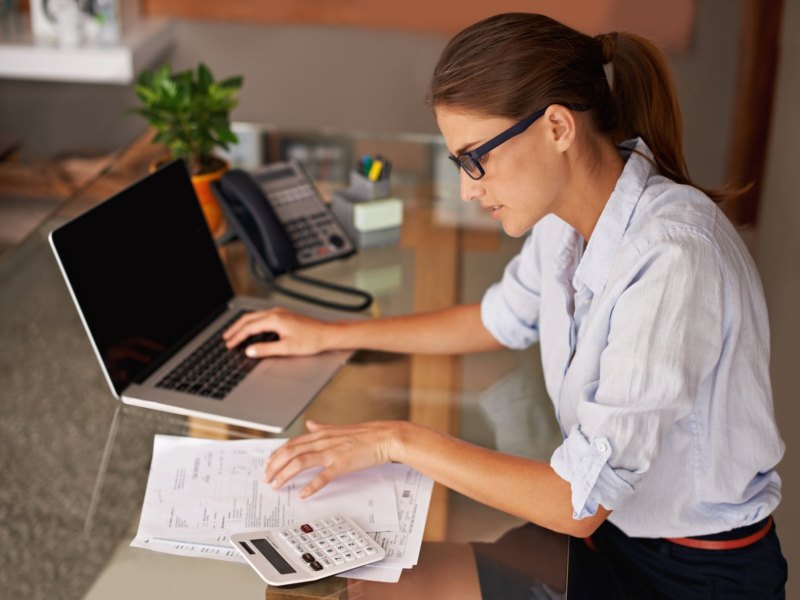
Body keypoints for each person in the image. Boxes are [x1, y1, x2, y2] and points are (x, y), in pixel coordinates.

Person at [224, 12, 788, 599]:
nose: (469, 187)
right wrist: (331, 334)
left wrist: (397, 440)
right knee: (355, 585)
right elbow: (497, 319)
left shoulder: (673, 259)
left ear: (557, 128)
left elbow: (577, 503)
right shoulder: (566, 221)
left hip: (691, 575)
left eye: (476, 158)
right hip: (604, 538)